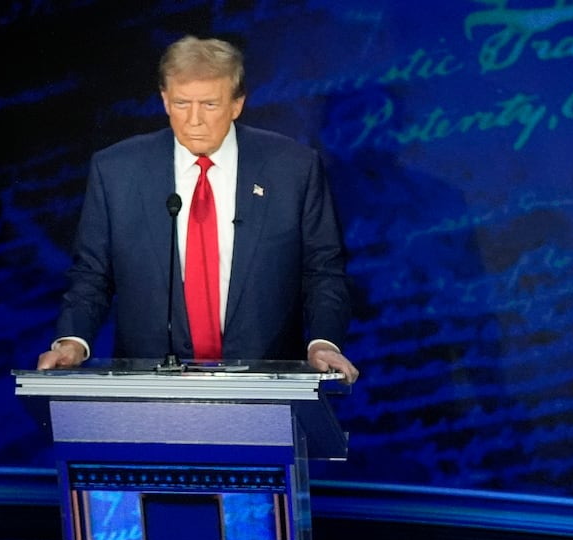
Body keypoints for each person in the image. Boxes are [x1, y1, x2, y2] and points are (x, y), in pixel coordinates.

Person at [36, 35, 359, 381]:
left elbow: (323, 270)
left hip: (266, 383)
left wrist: (323, 342)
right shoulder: (116, 170)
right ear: (164, 100)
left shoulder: (293, 168)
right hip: (150, 388)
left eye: (209, 105)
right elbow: (92, 274)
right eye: (181, 103)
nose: (194, 120)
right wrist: (73, 340)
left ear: (237, 104)